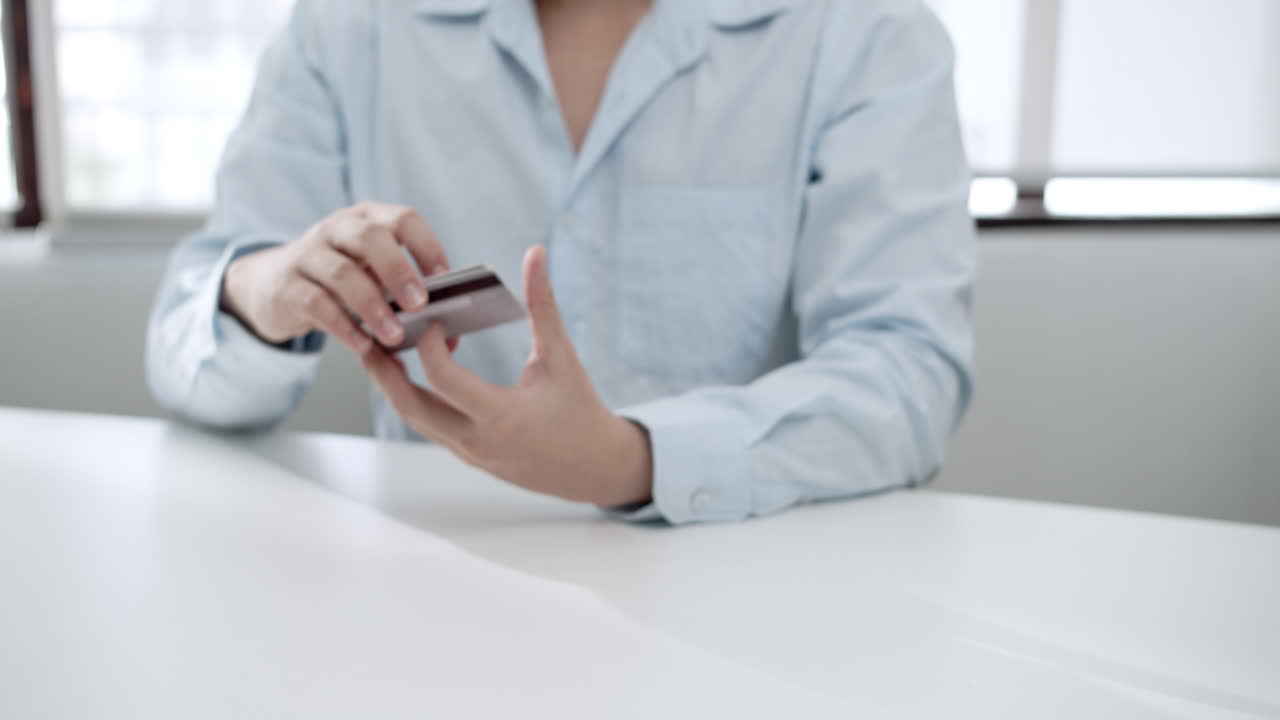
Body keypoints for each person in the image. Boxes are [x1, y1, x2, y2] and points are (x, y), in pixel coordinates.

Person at [147, 0, 976, 525]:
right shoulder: (349, 25)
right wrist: (259, 289)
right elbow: (187, 366)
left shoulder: (868, 32)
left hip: (746, 589)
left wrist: (636, 459)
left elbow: (909, 370)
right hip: (436, 589)